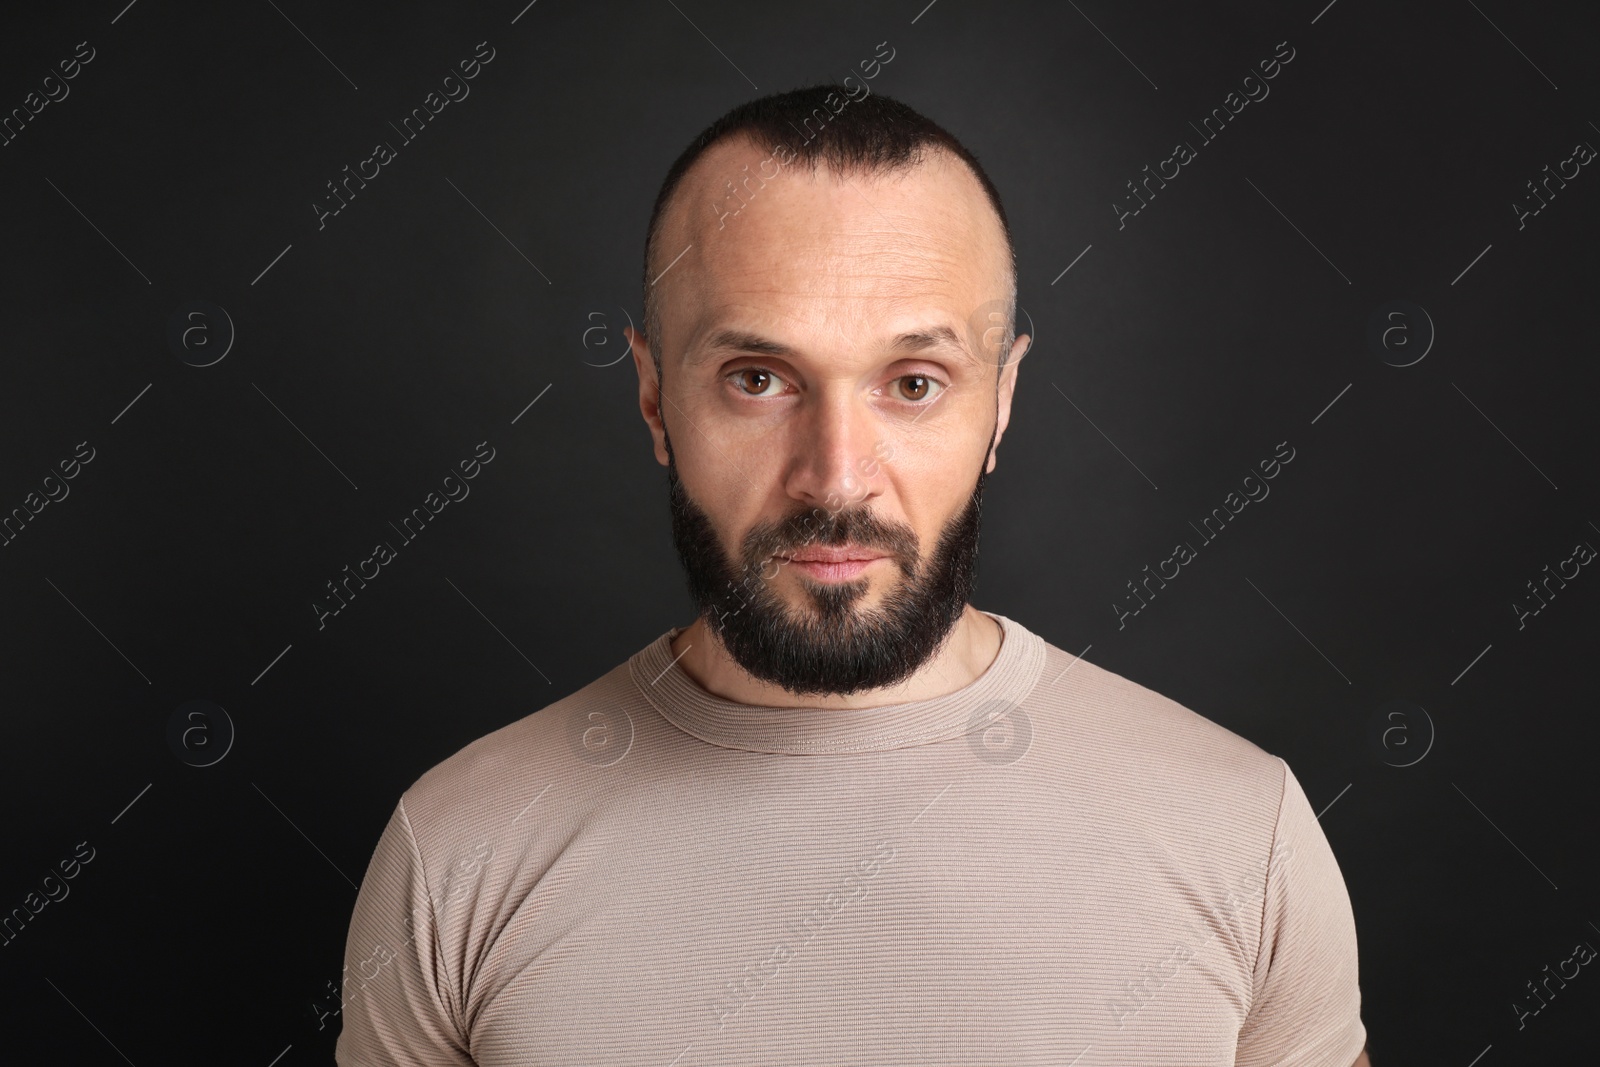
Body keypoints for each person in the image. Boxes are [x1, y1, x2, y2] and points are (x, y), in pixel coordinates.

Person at [335, 84, 1371, 1066]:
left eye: (913, 383)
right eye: (756, 379)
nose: (835, 475)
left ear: (1001, 401)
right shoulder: (458, 851)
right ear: (653, 396)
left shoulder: (1243, 833)